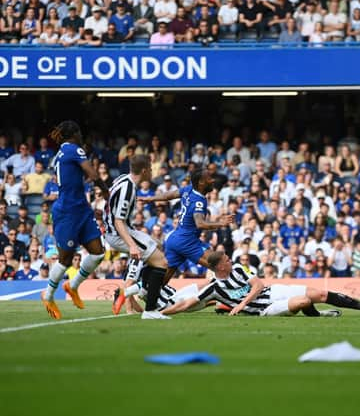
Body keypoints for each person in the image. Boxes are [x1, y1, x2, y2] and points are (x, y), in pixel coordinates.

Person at [161, 251, 360, 317]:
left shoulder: (240, 268)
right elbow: (187, 304)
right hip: (265, 310)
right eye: (227, 260)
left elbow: (258, 286)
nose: (231, 260)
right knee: (304, 301)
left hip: (272, 291)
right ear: (220, 267)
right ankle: (321, 316)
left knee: (318, 292)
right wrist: (161, 312)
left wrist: (240, 305)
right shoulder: (212, 288)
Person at [41, 121, 107, 320]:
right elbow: (92, 173)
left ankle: (73, 285)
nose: (81, 137)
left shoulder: (62, 152)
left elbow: (75, 177)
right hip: (68, 212)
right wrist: (105, 190)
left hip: (81, 209)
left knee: (98, 252)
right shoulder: (73, 149)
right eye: (80, 133)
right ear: (75, 134)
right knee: (65, 259)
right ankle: (48, 295)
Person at [105, 155, 173, 319]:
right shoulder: (128, 189)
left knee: (156, 246)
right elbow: (118, 221)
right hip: (119, 233)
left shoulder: (123, 179)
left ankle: (132, 291)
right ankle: (149, 310)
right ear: (143, 171)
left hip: (125, 229)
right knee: (162, 262)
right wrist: (132, 246)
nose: (152, 172)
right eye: (150, 169)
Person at [139, 168, 234, 283]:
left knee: (164, 277)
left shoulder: (189, 189)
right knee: (220, 265)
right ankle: (228, 296)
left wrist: (150, 199)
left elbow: (170, 195)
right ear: (201, 182)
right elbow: (200, 224)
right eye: (209, 178)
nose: (212, 180)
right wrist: (221, 223)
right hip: (187, 240)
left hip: (174, 238)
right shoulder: (198, 201)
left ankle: (139, 289)